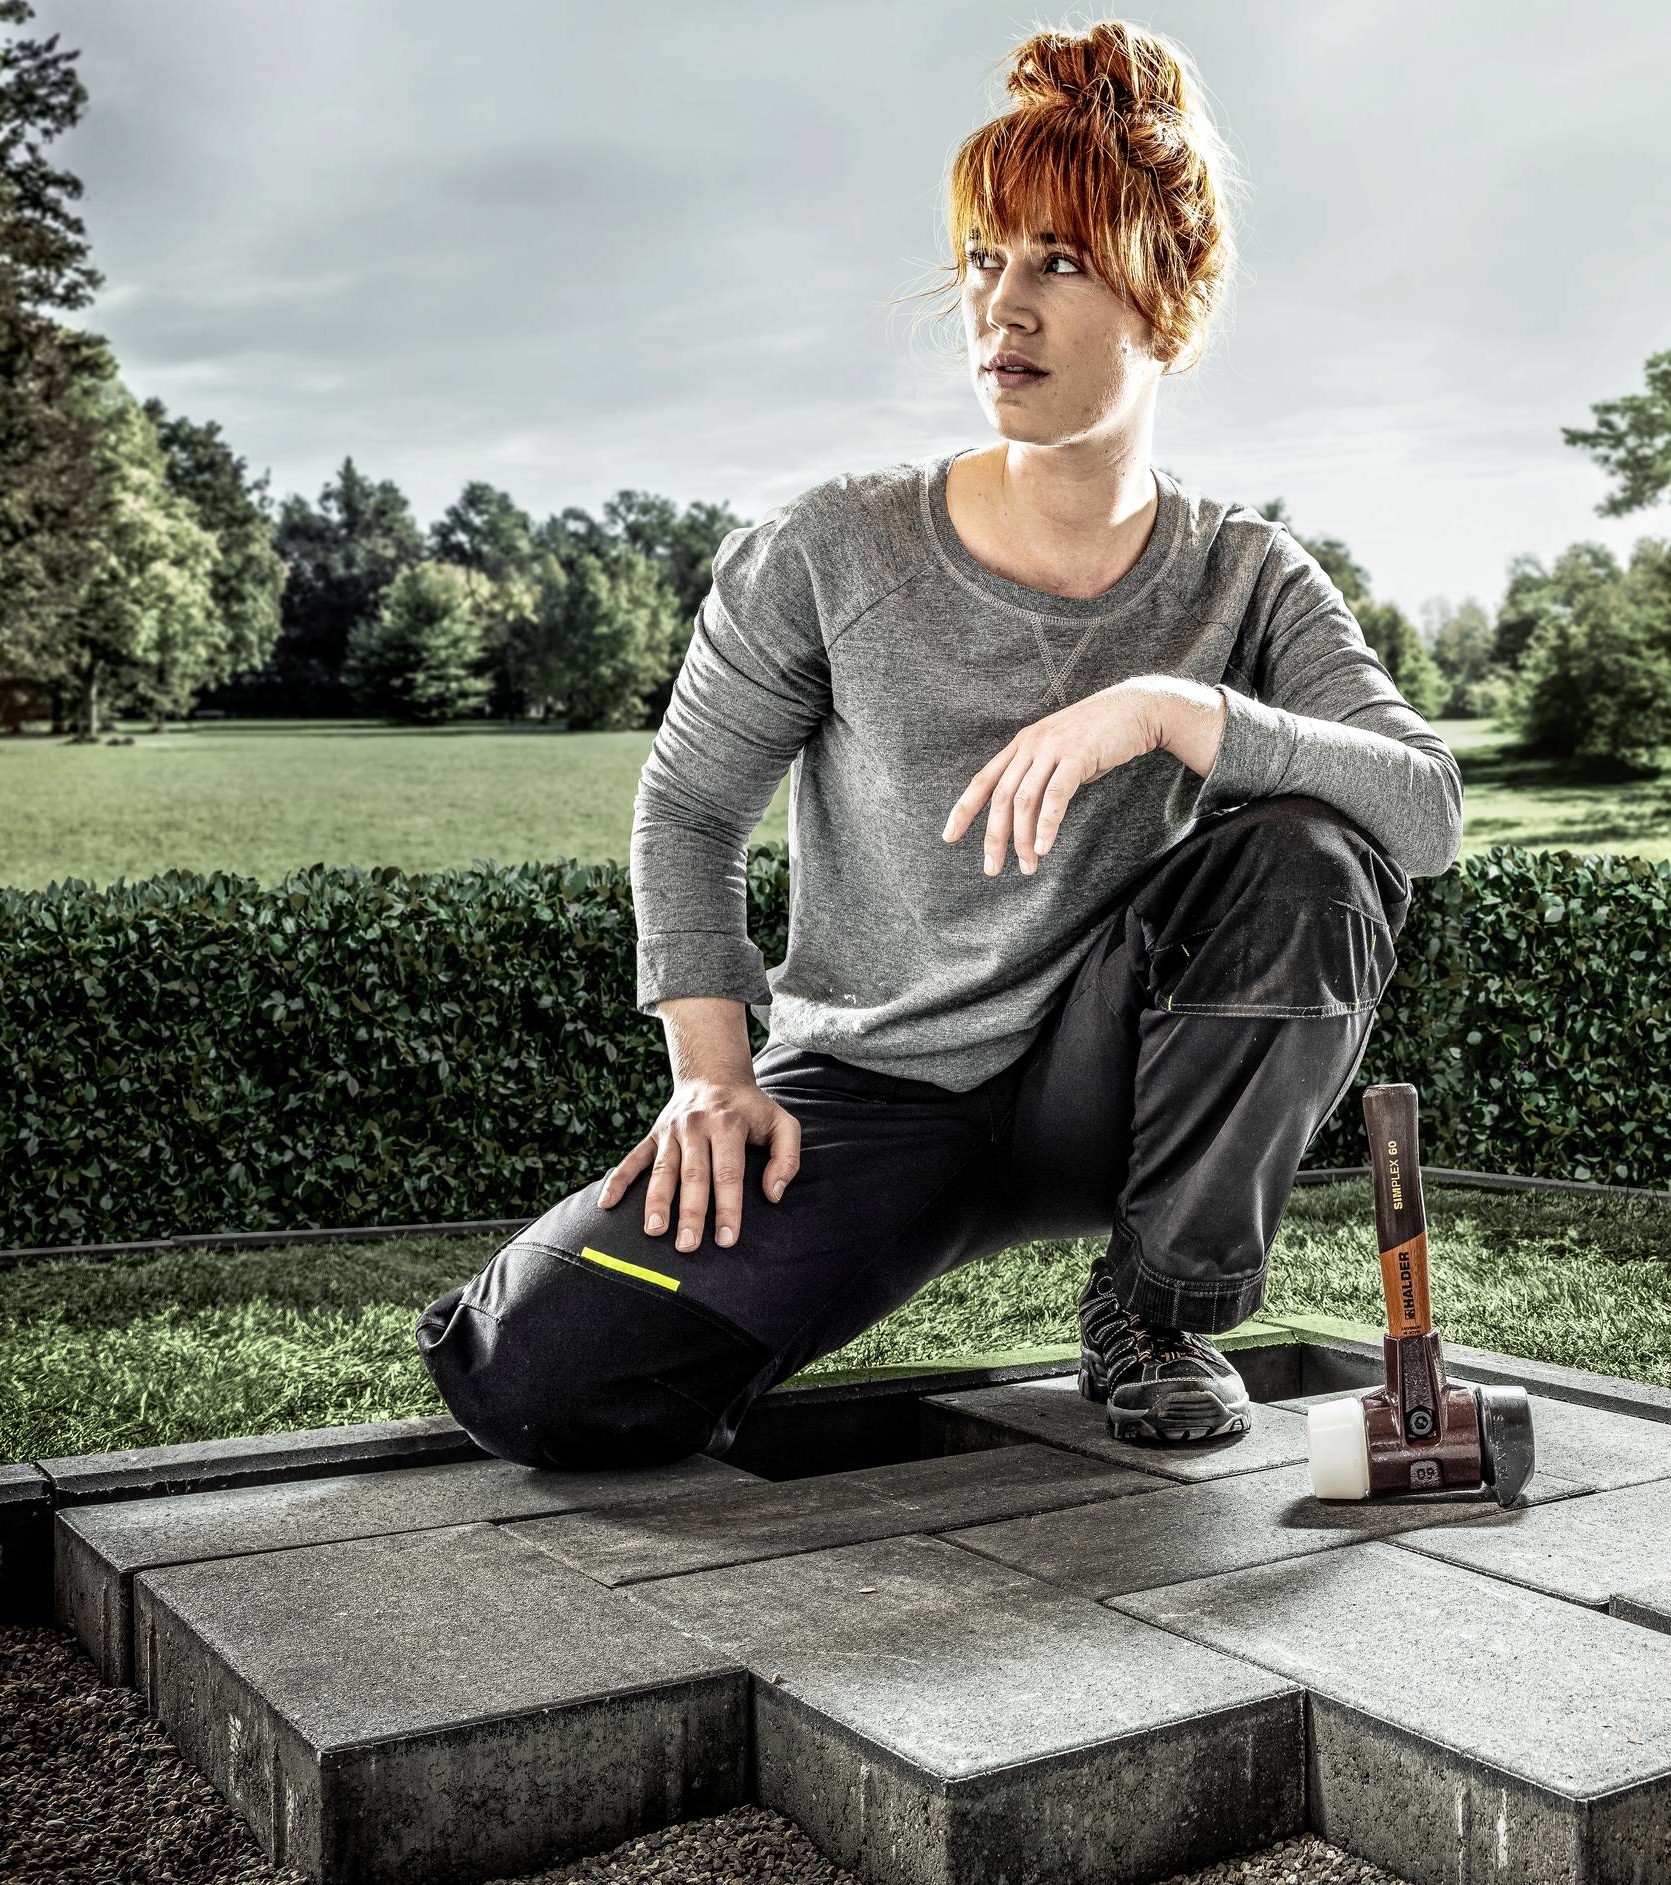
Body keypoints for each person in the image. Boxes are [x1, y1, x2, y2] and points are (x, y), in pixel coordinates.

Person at [415, 19, 1459, 1467]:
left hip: (1111, 1086)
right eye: (986, 256)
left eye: (1061, 262)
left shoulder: (1253, 578)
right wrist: (714, 1073)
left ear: (1165, 308)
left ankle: (1156, 1309)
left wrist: (1169, 710)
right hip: (872, 1093)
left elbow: (1425, 813)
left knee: (1310, 855)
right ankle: (802, 1278)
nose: (1002, 307)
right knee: (536, 1375)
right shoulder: (833, 549)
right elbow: (688, 813)